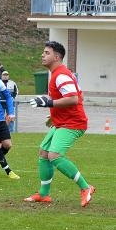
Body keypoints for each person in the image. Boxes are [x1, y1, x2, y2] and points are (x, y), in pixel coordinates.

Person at [24, 41, 95, 207]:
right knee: (44, 153)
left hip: (73, 123)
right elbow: (75, 96)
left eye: (46, 52)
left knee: (54, 156)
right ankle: (44, 194)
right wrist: (53, 115)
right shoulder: (57, 74)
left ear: (57, 57)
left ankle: (86, 188)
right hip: (62, 122)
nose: (43, 55)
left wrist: (49, 104)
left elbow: (73, 99)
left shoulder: (61, 75)